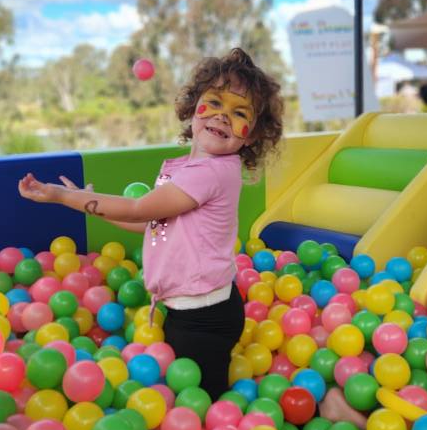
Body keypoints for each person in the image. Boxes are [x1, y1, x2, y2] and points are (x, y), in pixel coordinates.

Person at [19, 48, 284, 401]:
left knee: (204, 404)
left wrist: (63, 196)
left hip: (205, 317)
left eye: (239, 113)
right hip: (188, 309)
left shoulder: (212, 172)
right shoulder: (185, 169)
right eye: (215, 103)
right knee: (185, 391)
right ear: (193, 109)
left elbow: (139, 209)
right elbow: (153, 224)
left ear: (250, 135)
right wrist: (90, 206)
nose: (221, 117)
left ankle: (324, 405)